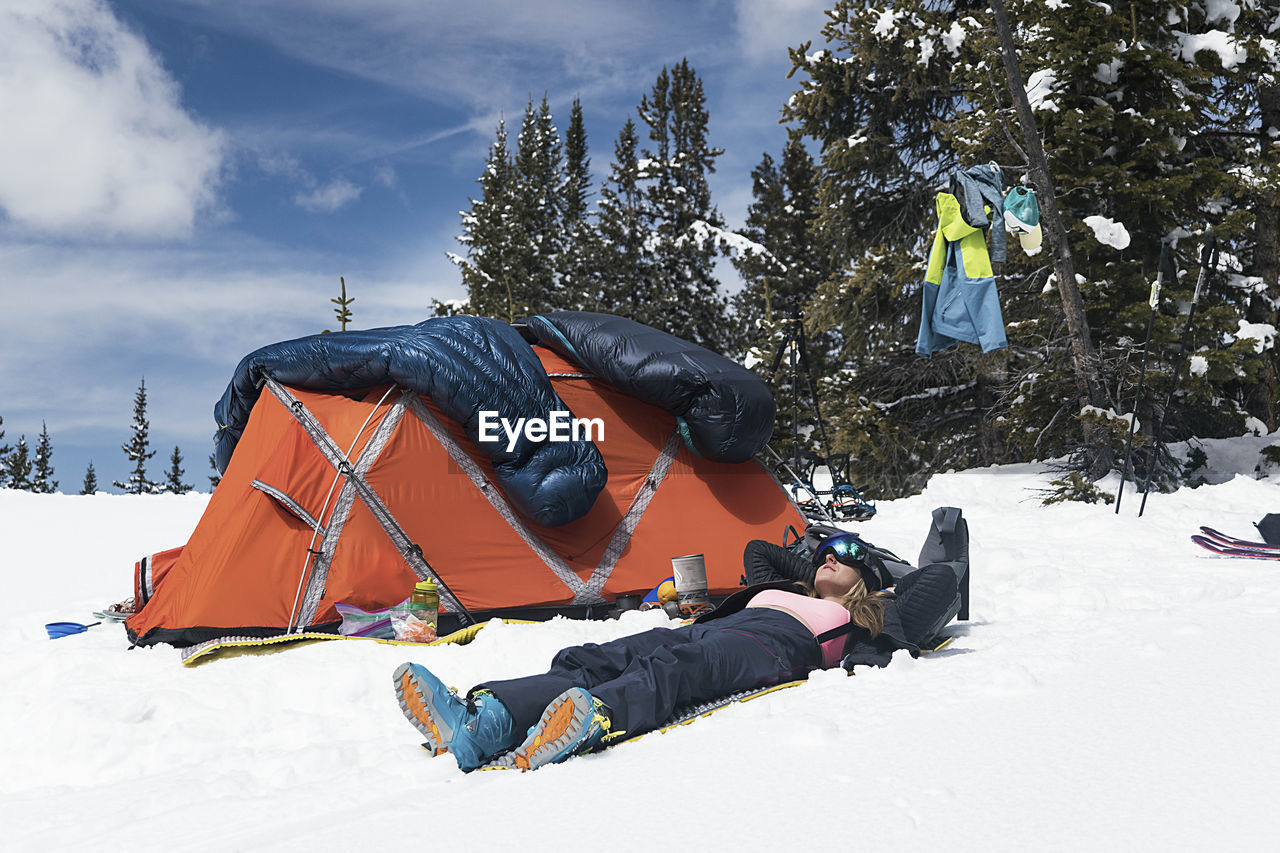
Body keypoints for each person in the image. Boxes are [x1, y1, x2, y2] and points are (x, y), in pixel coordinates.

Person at [393, 531, 903, 773]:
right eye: (826, 553)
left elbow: (940, 583)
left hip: (770, 647)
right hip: (715, 627)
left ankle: (594, 717)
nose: (832, 557)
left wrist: (882, 577)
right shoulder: (787, 587)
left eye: (848, 556)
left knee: (675, 669)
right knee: (593, 657)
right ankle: (486, 724)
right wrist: (814, 561)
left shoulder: (865, 619)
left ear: (870, 578)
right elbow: (756, 548)